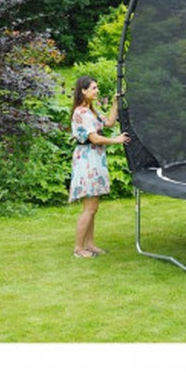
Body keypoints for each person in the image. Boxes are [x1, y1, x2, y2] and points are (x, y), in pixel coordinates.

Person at [69, 76, 130, 258]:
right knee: (89, 208)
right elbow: (94, 138)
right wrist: (116, 140)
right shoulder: (81, 113)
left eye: (97, 88)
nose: (97, 91)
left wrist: (115, 103)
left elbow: (109, 122)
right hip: (87, 160)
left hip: (95, 159)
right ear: (83, 91)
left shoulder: (92, 111)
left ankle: (89, 244)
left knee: (93, 207)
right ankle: (79, 249)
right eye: (93, 88)